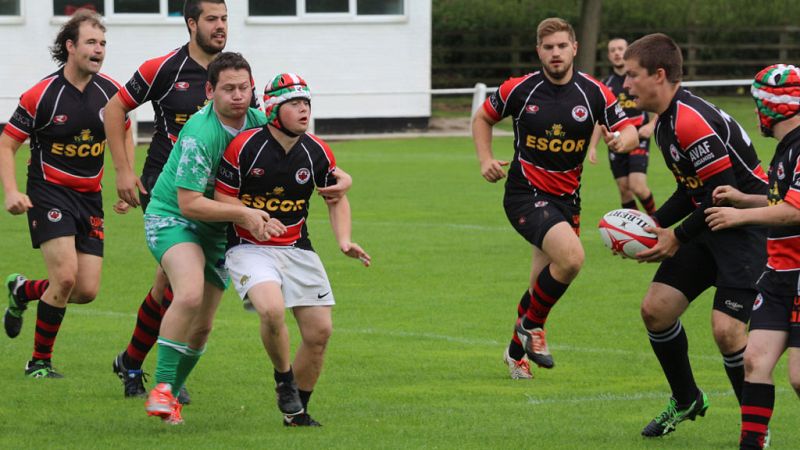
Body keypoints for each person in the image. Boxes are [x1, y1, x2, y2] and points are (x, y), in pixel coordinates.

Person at [471, 17, 638, 379]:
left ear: (574, 48)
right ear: (539, 51)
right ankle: (532, 329)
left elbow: (629, 130)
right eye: (549, 47)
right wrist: (485, 159)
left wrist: (622, 140)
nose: (556, 53)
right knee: (573, 259)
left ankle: (516, 353)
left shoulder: (595, 92)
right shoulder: (520, 89)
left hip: (567, 199)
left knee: (541, 282)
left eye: (562, 46)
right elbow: (482, 118)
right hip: (524, 193)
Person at [622, 33, 769, 437]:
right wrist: (653, 225)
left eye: (633, 75)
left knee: (727, 330)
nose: (626, 84)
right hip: (712, 223)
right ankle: (686, 398)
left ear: (660, 74)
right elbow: (694, 191)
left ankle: (754, 430)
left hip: (747, 227)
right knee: (656, 309)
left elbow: (721, 197)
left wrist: (676, 238)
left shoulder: (689, 121)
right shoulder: (666, 122)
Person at [215, 73, 370, 427]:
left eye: (307, 104)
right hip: (248, 247)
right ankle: (284, 381)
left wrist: (343, 240)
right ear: (273, 110)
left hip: (298, 248)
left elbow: (336, 196)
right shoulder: (244, 148)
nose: (304, 111)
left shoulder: (316, 150)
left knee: (319, 333)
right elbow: (222, 198)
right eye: (295, 104)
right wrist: (253, 218)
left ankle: (297, 413)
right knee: (270, 310)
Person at [104, 0, 230, 404]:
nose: (220, 26)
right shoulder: (161, 69)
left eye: (225, 19)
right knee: (179, 285)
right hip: (165, 188)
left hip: (209, 195)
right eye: (212, 19)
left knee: (169, 286)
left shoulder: (231, 76)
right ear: (191, 23)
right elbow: (113, 109)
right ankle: (160, 375)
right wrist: (124, 171)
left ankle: (132, 361)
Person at [0, 10, 132, 377]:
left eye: (103, 43)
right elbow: (7, 144)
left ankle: (23, 290)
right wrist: (11, 191)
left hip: (89, 197)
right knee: (67, 278)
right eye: (91, 42)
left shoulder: (112, 94)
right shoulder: (41, 95)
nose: (99, 49)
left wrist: (126, 178)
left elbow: (124, 129)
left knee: (86, 289)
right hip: (49, 192)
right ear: (70, 47)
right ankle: (39, 362)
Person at [705, 64, 800, 450]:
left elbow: (796, 210)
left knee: (798, 377)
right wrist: (746, 198)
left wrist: (740, 215)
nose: (757, 111)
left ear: (776, 107)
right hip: (777, 274)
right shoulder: (787, 147)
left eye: (760, 103)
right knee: (754, 361)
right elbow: (782, 201)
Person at [588, 38, 657, 214]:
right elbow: (599, 119)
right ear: (609, 56)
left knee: (637, 186)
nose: (617, 53)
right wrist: (593, 147)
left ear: (628, 52)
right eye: (612, 50)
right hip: (615, 140)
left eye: (620, 49)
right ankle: (635, 233)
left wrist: (651, 124)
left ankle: (658, 223)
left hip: (638, 137)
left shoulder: (638, 78)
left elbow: (657, 101)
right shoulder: (605, 85)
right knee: (624, 190)